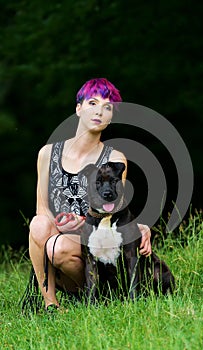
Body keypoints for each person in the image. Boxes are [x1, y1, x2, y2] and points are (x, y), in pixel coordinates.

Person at [28, 78, 152, 311]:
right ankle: (50, 304)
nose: (100, 111)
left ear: (111, 116)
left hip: (95, 237)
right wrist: (62, 225)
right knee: (38, 225)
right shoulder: (47, 153)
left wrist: (140, 227)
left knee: (59, 247)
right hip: (59, 232)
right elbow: (42, 208)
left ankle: (100, 293)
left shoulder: (114, 159)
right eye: (92, 103)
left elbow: (115, 211)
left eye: (107, 108)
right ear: (78, 109)